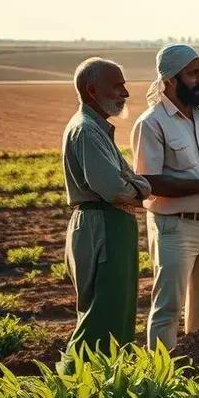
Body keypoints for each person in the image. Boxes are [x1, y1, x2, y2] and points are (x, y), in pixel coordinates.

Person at [132, 44, 199, 349]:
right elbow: (149, 181)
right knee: (168, 307)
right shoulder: (151, 123)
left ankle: (198, 367)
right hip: (174, 227)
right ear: (170, 80)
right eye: (193, 73)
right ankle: (161, 377)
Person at [61, 57, 151, 357]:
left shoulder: (97, 128)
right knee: (103, 314)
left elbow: (131, 181)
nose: (125, 93)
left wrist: (134, 185)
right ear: (92, 90)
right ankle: (77, 384)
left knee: (117, 310)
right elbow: (114, 188)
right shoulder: (86, 130)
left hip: (109, 223)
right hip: (102, 224)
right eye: (117, 86)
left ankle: (107, 383)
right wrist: (137, 187)